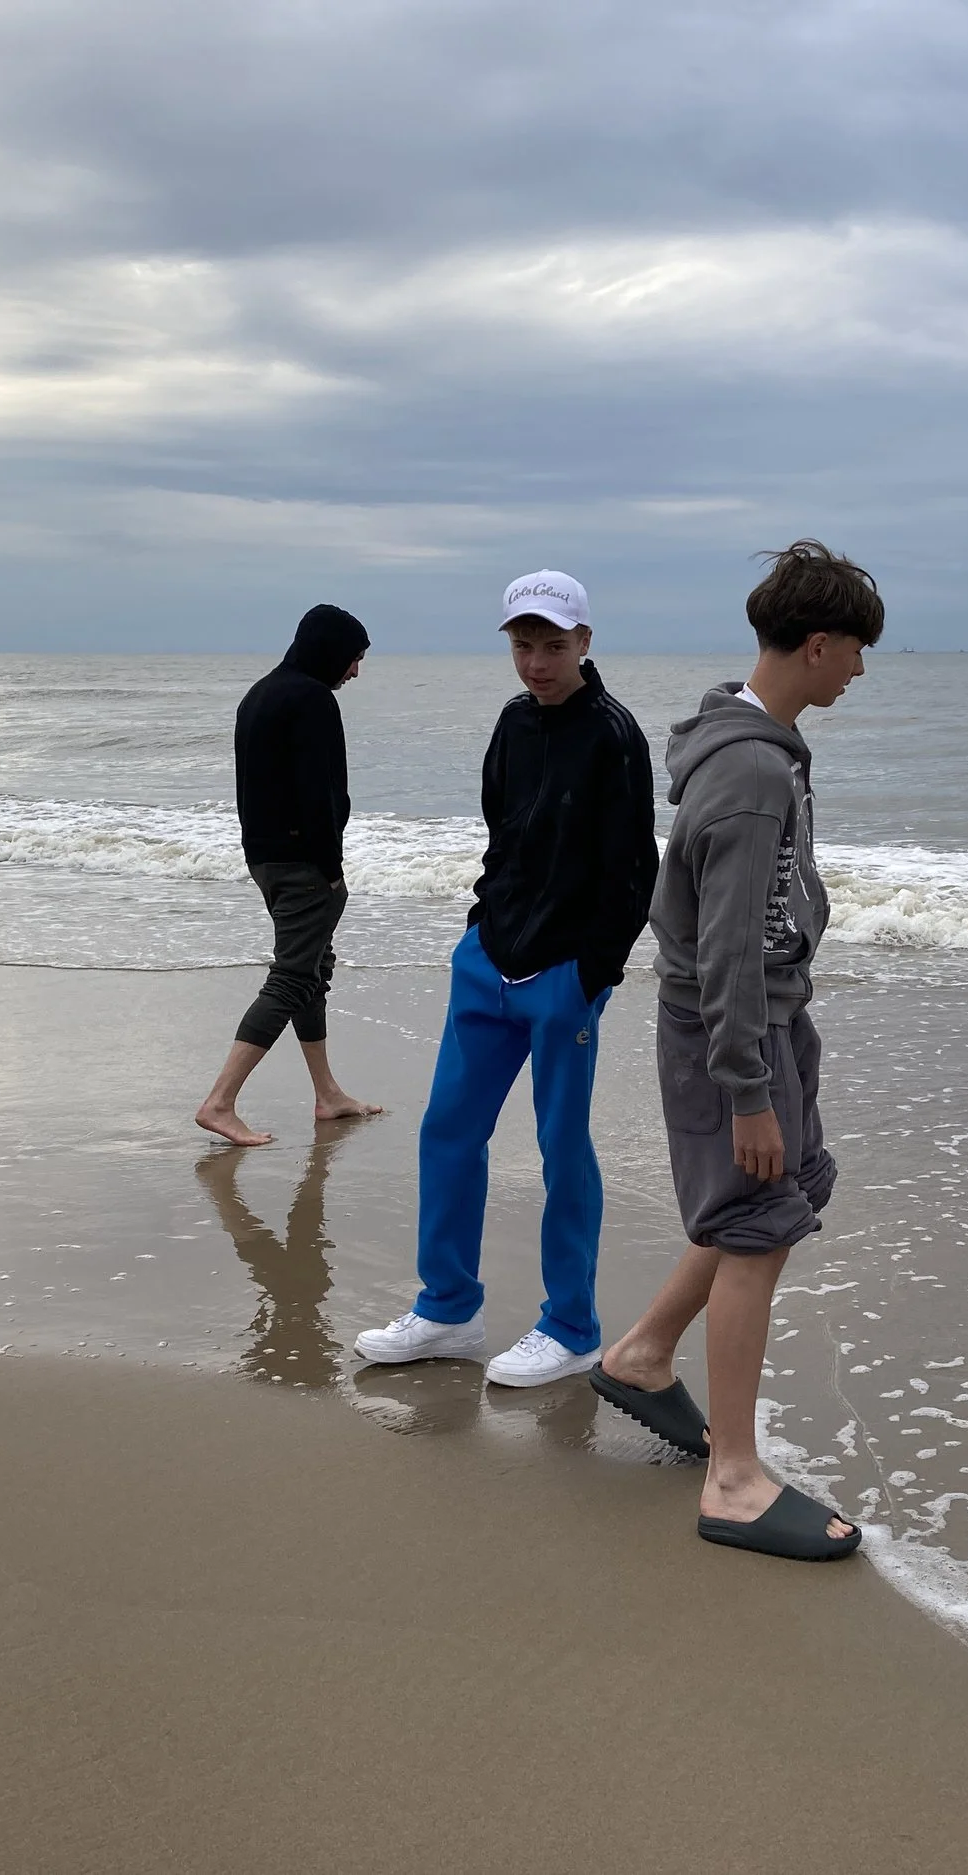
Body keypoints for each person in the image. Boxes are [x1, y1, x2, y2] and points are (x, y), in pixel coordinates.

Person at [590, 540, 882, 1561]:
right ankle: (735, 1478)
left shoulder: (746, 740)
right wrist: (748, 1088)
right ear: (816, 644)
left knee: (768, 1197)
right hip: (735, 1032)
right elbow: (723, 947)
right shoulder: (755, 770)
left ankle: (641, 1354)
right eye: (853, 651)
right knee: (757, 1225)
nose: (857, 670)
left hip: (756, 1022)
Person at [354, 570, 659, 1386]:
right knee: (447, 1130)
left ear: (586, 642)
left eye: (553, 645)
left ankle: (572, 1326)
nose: (536, 663)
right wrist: (476, 936)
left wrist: (592, 971)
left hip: (565, 974)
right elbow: (502, 838)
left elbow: (637, 869)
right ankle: (447, 1308)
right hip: (489, 960)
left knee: (561, 1147)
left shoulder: (614, 734)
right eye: (523, 645)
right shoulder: (512, 723)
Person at [195, 603, 384, 1148]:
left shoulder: (260, 693)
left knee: (309, 970)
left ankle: (328, 1095)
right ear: (331, 651)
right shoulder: (311, 699)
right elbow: (320, 795)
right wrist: (329, 870)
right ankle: (220, 1102)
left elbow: (253, 788)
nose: (354, 671)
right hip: (304, 865)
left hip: (265, 857)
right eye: (353, 658)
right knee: (293, 977)